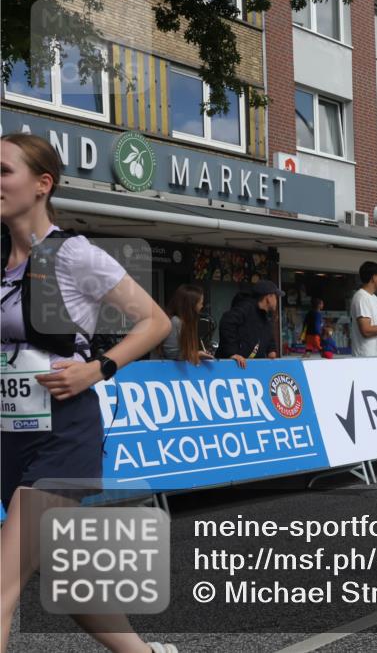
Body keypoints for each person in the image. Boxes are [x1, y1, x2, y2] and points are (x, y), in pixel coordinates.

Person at [1, 133, 176, 652]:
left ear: (42, 184)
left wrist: (96, 369)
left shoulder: (72, 254)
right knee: (66, 569)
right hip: (10, 432)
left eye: (3, 171)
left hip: (62, 432)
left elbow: (155, 321)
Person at [216, 279, 282, 368]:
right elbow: (227, 322)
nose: (277, 301)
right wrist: (232, 353)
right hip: (231, 366)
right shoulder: (245, 308)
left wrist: (271, 350)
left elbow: (268, 335)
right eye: (275, 297)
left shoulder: (265, 316)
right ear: (268, 298)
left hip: (249, 367)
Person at [161, 283, 214, 364]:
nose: (202, 306)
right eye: (200, 303)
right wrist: (196, 354)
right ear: (191, 304)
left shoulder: (186, 323)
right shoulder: (175, 321)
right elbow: (171, 354)